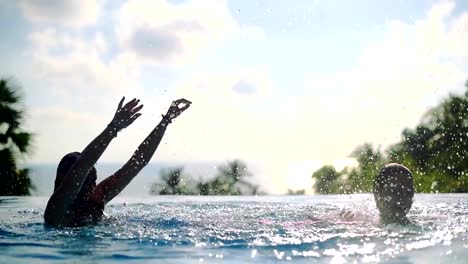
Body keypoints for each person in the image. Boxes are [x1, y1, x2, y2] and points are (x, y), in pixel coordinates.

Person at [44, 97, 191, 227]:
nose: (92, 187)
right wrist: (113, 127)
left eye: (92, 180)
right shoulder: (57, 211)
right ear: (64, 181)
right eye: (85, 181)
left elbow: (137, 163)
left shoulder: (95, 200)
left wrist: (165, 121)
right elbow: (83, 164)